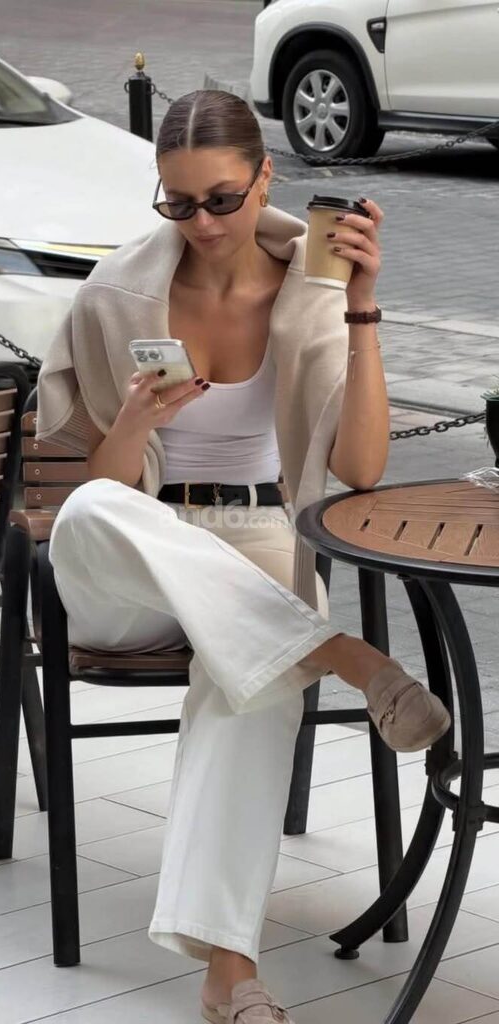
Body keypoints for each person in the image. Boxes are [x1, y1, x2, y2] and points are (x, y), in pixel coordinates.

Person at [35, 90, 450, 1024]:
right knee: (93, 507)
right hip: (134, 559)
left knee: (249, 676)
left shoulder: (313, 292)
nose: (204, 223)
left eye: (222, 199)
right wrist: (133, 422)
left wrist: (361, 306)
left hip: (259, 543)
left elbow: (361, 468)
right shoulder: (118, 295)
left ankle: (230, 976)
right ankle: (344, 655)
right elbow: (104, 482)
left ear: (265, 177)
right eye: (178, 203)